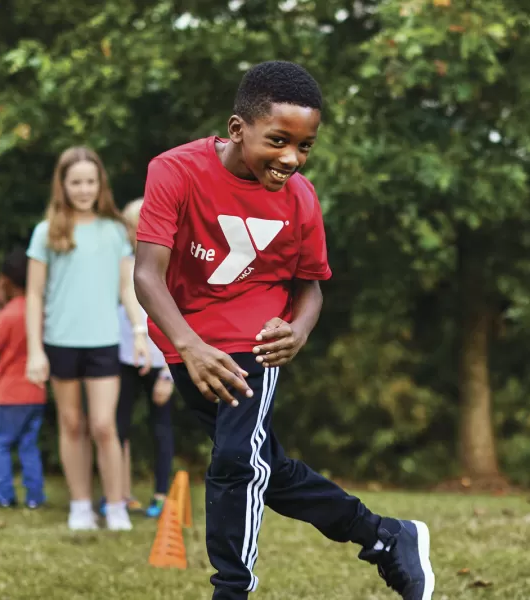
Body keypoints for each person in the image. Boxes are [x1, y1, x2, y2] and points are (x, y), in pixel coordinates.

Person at [133, 60, 434, 600]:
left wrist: (298, 332)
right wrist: (189, 347)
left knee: (234, 462)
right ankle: (387, 536)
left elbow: (311, 286)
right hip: (189, 343)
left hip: (254, 340)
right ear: (236, 129)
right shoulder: (174, 171)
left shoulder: (301, 201)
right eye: (278, 140)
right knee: (266, 468)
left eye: (305, 146)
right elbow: (146, 275)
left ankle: (231, 590)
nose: (292, 158)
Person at [25, 146, 146, 531]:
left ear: (100, 185)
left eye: (90, 182)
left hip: (104, 342)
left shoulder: (115, 231)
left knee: (104, 426)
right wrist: (34, 351)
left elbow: (128, 287)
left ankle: (114, 506)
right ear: (62, 185)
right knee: (71, 423)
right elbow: (33, 294)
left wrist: (140, 332)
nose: (83, 189)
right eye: (75, 182)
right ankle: (80, 505)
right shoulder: (47, 232)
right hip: (60, 341)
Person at [111, 198, 177, 519]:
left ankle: (161, 494)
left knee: (161, 427)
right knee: (119, 424)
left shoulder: (171, 262)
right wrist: (138, 332)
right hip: (125, 355)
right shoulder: (126, 260)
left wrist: (168, 373)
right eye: (132, 223)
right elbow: (128, 293)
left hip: (162, 356)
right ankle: (120, 493)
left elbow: (180, 315)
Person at [0, 248, 46, 510]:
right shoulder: (39, 311)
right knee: (29, 446)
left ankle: (5, 497)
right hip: (36, 391)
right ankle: (34, 497)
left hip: (9, 394)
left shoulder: (7, 314)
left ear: (6, 280)